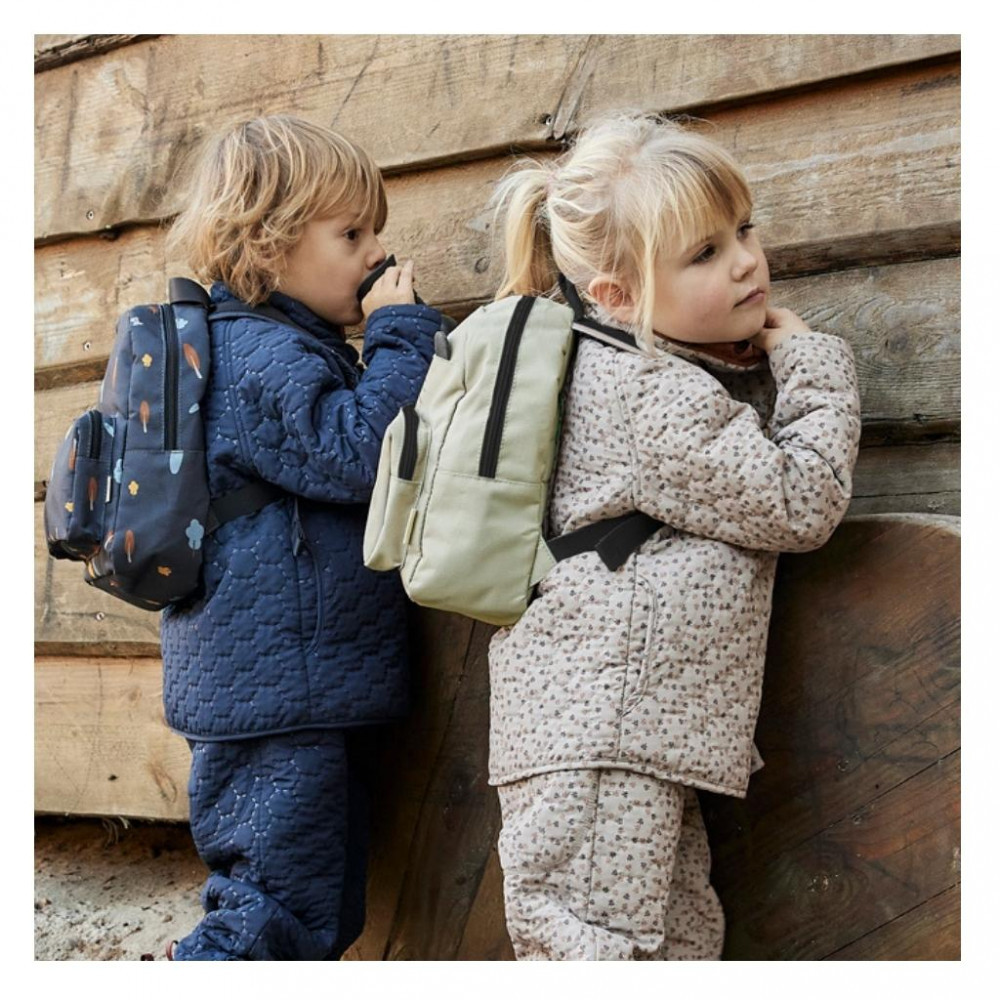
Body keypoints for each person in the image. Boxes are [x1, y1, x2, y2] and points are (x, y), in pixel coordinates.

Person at [486, 112, 861, 960]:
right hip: (608, 733)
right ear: (617, 295)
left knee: (671, 945)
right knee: (595, 951)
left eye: (744, 229)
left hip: (618, 731)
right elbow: (799, 500)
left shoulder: (610, 363)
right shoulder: (649, 394)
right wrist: (811, 368)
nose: (746, 261)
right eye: (704, 253)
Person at [158, 115, 443, 960]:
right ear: (269, 241)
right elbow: (360, 453)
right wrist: (401, 334)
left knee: (308, 910)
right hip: (278, 693)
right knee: (271, 912)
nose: (377, 252)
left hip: (283, 687)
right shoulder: (260, 355)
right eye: (351, 234)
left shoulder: (268, 347)